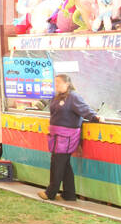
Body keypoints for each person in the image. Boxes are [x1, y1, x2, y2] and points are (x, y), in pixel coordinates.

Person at [39, 73, 99, 203]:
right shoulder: (57, 97)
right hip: (56, 136)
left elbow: (85, 110)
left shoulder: (73, 97)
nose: (57, 86)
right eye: (55, 83)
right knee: (64, 165)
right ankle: (69, 194)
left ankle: (50, 193)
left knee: (57, 163)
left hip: (66, 137)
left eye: (59, 83)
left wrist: (96, 117)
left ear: (67, 84)